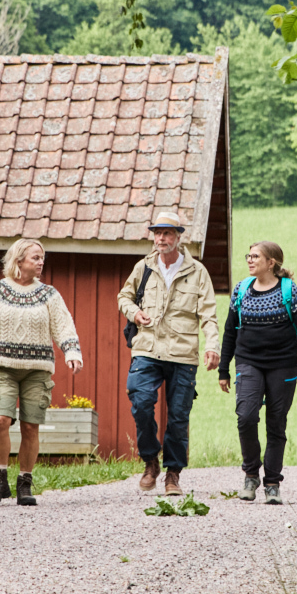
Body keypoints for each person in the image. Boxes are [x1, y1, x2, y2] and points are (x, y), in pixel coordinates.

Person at [0, 237, 84, 507]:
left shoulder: (49, 293)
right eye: (35, 258)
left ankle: (25, 484)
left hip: (37, 371)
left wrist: (72, 353)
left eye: (42, 258)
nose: (41, 263)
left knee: (30, 426)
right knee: (0, 421)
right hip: (2, 367)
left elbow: (64, 325)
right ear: (19, 261)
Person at [118, 209, 217, 495]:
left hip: (183, 353)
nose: (161, 238)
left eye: (167, 233)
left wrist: (212, 345)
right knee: (141, 401)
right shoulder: (144, 267)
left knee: (178, 416)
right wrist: (135, 313)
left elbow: (209, 314)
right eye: (157, 233)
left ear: (178, 237)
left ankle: (173, 474)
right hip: (147, 349)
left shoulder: (197, 271)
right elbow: (124, 296)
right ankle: (151, 460)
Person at [215, 240, 297, 504]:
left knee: (276, 422)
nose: (250, 260)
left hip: (283, 364)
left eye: (256, 256)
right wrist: (223, 370)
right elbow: (229, 331)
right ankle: (251, 475)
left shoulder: (288, 290)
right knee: (246, 416)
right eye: (248, 256)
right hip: (248, 362)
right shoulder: (240, 290)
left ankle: (272, 483)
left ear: (271, 263)